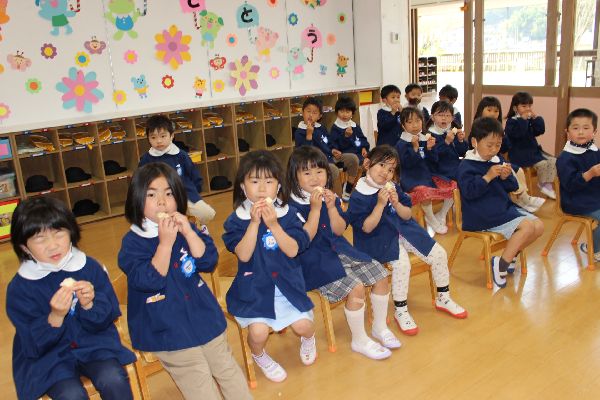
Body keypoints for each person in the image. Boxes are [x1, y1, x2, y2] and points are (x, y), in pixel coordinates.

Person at [118, 163, 251, 400]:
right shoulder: (133, 242)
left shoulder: (185, 226)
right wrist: (165, 244)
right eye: (151, 195)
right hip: (164, 325)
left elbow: (208, 261)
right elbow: (149, 281)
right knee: (197, 374)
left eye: (169, 193)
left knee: (225, 367)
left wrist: (189, 232)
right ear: (137, 200)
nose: (162, 202)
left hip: (201, 314)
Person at [6, 197, 136, 400]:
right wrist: (55, 317)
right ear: (24, 247)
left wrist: (90, 305)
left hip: (94, 344)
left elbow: (109, 313)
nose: (52, 245)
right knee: (70, 394)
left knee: (113, 378)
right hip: (48, 358)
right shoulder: (20, 288)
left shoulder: (89, 267)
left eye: (59, 233)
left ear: (71, 232)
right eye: (40, 238)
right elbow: (31, 343)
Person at [287, 146, 400, 359]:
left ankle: (379, 327)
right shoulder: (289, 207)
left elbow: (339, 230)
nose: (315, 178)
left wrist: (331, 207)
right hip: (312, 261)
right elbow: (302, 242)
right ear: (295, 176)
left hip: (340, 250)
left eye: (319, 171)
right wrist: (315, 209)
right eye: (307, 173)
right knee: (356, 287)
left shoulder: (330, 196)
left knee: (381, 275)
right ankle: (359, 339)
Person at [346, 145, 468, 337]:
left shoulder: (392, 187)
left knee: (439, 254)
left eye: (391, 169)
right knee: (402, 265)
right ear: (367, 164)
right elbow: (367, 227)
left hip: (406, 231)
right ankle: (400, 309)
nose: (386, 172)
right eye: (382, 165)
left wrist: (395, 203)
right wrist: (380, 204)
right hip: (378, 239)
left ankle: (443, 297)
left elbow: (407, 214)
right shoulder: (358, 195)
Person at [223, 150, 316, 383]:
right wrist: (254, 223)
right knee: (258, 333)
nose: (262, 189)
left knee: (304, 327)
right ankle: (259, 355)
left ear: (279, 186)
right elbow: (243, 254)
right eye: (254, 182)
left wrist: (274, 224)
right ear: (243, 187)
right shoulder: (236, 220)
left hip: (288, 287)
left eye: (269, 181)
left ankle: (308, 340)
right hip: (254, 290)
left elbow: (293, 250)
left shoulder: (288, 214)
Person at [458, 117, 544, 289]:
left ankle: (508, 257)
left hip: (501, 209)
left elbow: (512, 188)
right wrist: (488, 177)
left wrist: (507, 177)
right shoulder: (466, 166)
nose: (494, 150)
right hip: (481, 214)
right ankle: (501, 265)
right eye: (489, 145)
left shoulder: (497, 159)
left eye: (497, 145)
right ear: (474, 142)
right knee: (527, 227)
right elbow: (469, 193)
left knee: (539, 226)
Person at [473, 96, 545, 213]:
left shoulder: (497, 127)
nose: (493, 114)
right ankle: (523, 199)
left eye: (496, 111)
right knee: (510, 171)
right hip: (483, 162)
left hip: (496, 159)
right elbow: (473, 148)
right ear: (481, 111)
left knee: (518, 170)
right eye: (489, 110)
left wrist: (503, 138)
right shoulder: (477, 127)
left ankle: (522, 198)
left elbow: (505, 147)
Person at [138, 115, 216, 223]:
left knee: (208, 213)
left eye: (163, 136)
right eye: (153, 137)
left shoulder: (181, 155)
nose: (159, 141)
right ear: (148, 139)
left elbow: (194, 176)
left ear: (172, 136)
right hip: (160, 200)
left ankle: (193, 225)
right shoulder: (146, 160)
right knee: (157, 221)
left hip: (185, 196)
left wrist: (194, 193)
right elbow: (140, 183)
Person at [396, 107, 455, 234]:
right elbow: (407, 164)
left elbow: (434, 161)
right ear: (403, 125)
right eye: (410, 122)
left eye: (418, 121)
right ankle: (431, 218)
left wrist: (430, 149)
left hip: (427, 175)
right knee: (425, 192)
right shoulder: (401, 143)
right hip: (411, 179)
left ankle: (441, 214)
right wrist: (415, 148)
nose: (415, 125)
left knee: (452, 186)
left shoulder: (424, 138)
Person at [556, 108, 600, 261]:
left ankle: (594, 242)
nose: (581, 132)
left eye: (586, 128)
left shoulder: (595, 151)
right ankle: (594, 249)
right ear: (567, 132)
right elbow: (570, 185)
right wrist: (590, 174)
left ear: (594, 131)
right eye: (575, 128)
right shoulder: (565, 158)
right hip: (575, 201)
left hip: (595, 197)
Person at [424, 100, 468, 232]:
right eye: (440, 115)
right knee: (460, 180)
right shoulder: (429, 135)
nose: (444, 118)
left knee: (470, 173)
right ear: (432, 117)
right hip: (438, 169)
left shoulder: (452, 131)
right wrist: (447, 142)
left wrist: (460, 140)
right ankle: (443, 213)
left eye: (448, 115)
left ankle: (444, 213)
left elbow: (462, 152)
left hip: (454, 166)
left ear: (452, 118)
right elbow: (433, 157)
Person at [505, 91, 557, 199]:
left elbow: (540, 130)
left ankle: (547, 184)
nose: (527, 109)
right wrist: (523, 120)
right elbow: (519, 133)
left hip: (533, 152)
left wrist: (536, 118)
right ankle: (543, 184)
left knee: (553, 160)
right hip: (520, 154)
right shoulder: (511, 122)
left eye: (529, 106)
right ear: (515, 108)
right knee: (543, 164)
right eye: (524, 106)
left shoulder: (528, 120)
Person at [294, 97, 341, 193]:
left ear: (319, 116)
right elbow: (304, 154)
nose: (310, 115)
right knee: (333, 170)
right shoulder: (299, 132)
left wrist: (333, 150)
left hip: (329, 157)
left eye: (314, 113)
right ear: (302, 112)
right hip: (314, 163)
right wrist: (309, 135)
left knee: (351, 158)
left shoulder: (321, 128)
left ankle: (346, 190)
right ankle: (335, 196)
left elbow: (329, 142)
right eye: (308, 111)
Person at [330, 96, 370, 201]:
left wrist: (364, 148)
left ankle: (360, 186)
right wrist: (346, 137)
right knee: (357, 161)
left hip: (357, 153)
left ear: (352, 113)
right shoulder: (335, 128)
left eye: (348, 112)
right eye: (342, 111)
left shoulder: (355, 126)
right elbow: (335, 145)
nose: (344, 114)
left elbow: (362, 139)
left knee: (370, 160)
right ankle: (348, 187)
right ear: (337, 112)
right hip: (345, 156)